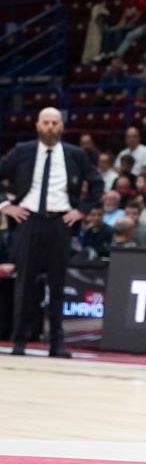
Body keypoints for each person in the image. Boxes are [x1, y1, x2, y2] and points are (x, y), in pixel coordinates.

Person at [0, 108, 104, 357]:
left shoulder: (75, 154)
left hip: (61, 223)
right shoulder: (22, 151)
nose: (49, 127)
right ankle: (20, 340)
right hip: (29, 220)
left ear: (61, 127)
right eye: (45, 122)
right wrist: (6, 206)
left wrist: (81, 211)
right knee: (24, 284)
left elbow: (97, 183)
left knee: (58, 284)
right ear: (37, 125)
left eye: (54, 123)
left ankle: (57, 343)